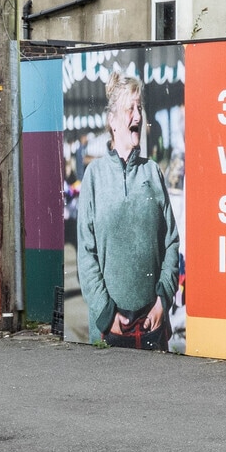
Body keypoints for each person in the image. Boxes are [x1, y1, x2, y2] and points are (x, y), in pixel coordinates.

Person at [75, 71, 182, 350]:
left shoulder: (153, 172)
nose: (138, 116)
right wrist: (105, 313)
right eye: (130, 109)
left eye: (140, 108)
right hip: (109, 329)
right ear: (112, 121)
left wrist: (163, 300)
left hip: (152, 326)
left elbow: (171, 241)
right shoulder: (94, 176)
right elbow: (86, 254)